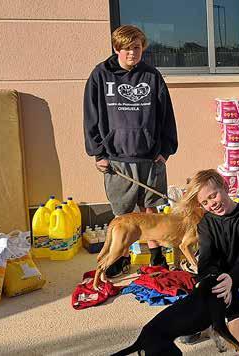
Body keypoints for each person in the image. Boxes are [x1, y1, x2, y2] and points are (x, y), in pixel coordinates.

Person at [83, 25, 178, 276]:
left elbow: (166, 114)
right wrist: (98, 153)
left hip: (149, 156)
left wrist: (165, 149)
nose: (132, 53)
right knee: (123, 215)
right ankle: (121, 258)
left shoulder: (151, 76)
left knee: (150, 211)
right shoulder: (100, 75)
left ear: (142, 48)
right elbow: (91, 116)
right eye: (126, 48)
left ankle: (157, 257)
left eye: (136, 48)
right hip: (116, 158)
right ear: (117, 49)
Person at [171, 169, 239, 350]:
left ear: (225, 187)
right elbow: (206, 259)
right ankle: (212, 322)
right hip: (218, 282)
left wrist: (231, 280)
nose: (212, 204)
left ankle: (222, 320)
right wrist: (213, 284)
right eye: (205, 202)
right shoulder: (205, 223)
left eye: (213, 196)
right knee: (185, 336)